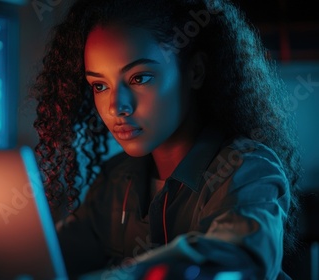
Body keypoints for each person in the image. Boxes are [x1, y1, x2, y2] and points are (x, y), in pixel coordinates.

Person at [30, 0, 302, 279]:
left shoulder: (248, 169)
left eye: (139, 78)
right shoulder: (116, 179)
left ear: (194, 72)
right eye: (100, 85)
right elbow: (50, 259)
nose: (116, 107)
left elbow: (238, 258)